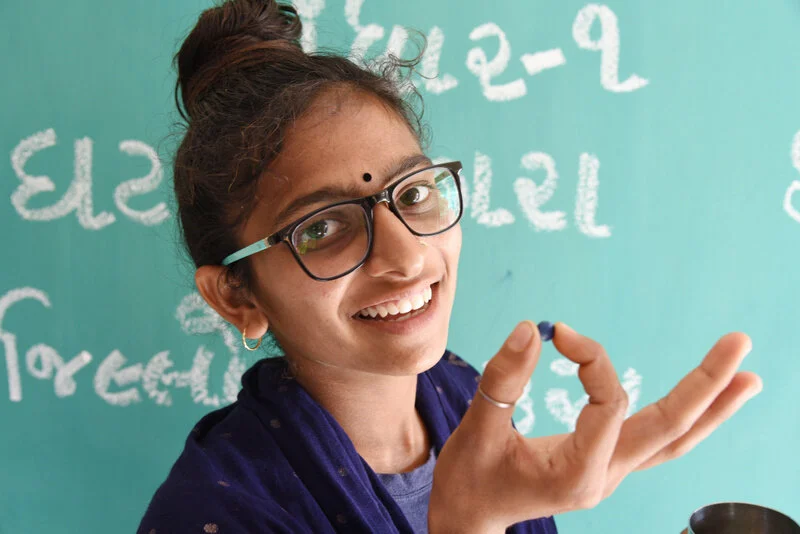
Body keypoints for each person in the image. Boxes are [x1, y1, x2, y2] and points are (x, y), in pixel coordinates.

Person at [137, 0, 763, 532]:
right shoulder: (212, 510)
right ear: (235, 296)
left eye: (412, 194)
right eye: (322, 228)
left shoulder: (458, 394)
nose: (407, 255)